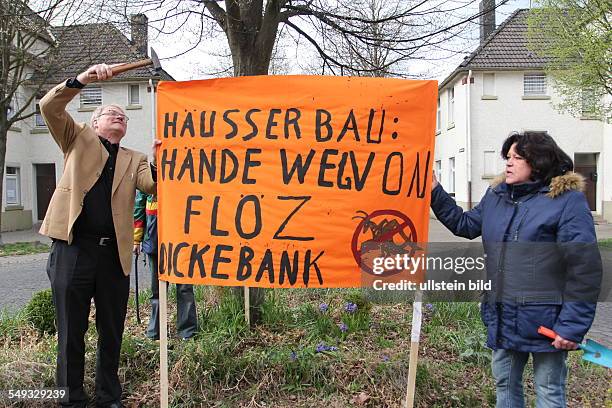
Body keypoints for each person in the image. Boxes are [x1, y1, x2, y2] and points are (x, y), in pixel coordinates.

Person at [430, 131, 602, 407]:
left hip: (548, 322)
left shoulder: (566, 202)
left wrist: (571, 327)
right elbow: (464, 225)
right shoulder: (497, 195)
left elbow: (584, 269)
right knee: (505, 386)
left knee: (548, 390)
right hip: (504, 315)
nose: (508, 163)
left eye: (517, 158)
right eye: (507, 157)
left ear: (539, 162)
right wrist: (434, 190)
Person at [40, 64, 158, 408]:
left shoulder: (134, 158)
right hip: (72, 249)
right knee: (71, 332)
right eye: (110, 112)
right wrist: (82, 80)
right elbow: (49, 106)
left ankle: (108, 397)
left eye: (123, 114)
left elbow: (153, 186)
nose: (118, 115)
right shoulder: (75, 137)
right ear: (94, 123)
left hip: (112, 256)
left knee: (111, 332)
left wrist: (160, 162)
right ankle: (70, 399)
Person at [133, 190, 198, 340]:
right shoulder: (150, 173)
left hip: (181, 239)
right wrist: (137, 239)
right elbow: (139, 203)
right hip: (154, 240)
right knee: (157, 290)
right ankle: (155, 332)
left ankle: (188, 333)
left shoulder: (186, 170)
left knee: (184, 287)